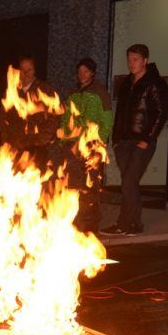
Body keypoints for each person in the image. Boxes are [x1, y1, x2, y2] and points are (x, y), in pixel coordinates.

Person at [101, 44, 168, 236]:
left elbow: (162, 113)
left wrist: (147, 139)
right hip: (123, 143)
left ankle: (123, 224)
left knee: (128, 183)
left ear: (145, 60)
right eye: (129, 59)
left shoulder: (155, 83)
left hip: (142, 143)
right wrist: (115, 139)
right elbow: (120, 113)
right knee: (129, 183)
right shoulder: (126, 83)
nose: (131, 63)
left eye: (136, 59)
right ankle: (135, 224)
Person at [57, 57, 114, 233]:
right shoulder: (73, 92)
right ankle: (77, 221)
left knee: (91, 186)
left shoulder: (100, 93)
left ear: (93, 73)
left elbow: (107, 119)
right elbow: (66, 118)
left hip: (91, 146)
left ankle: (90, 224)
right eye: (80, 71)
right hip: (73, 146)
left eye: (86, 71)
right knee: (74, 184)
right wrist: (62, 140)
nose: (82, 75)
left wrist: (100, 143)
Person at [0, 55, 59, 171]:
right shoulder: (12, 91)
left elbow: (53, 119)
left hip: (36, 148)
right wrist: (6, 141)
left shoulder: (44, 90)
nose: (25, 73)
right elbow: (3, 118)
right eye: (23, 70)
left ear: (34, 70)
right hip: (15, 146)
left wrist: (40, 141)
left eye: (29, 69)